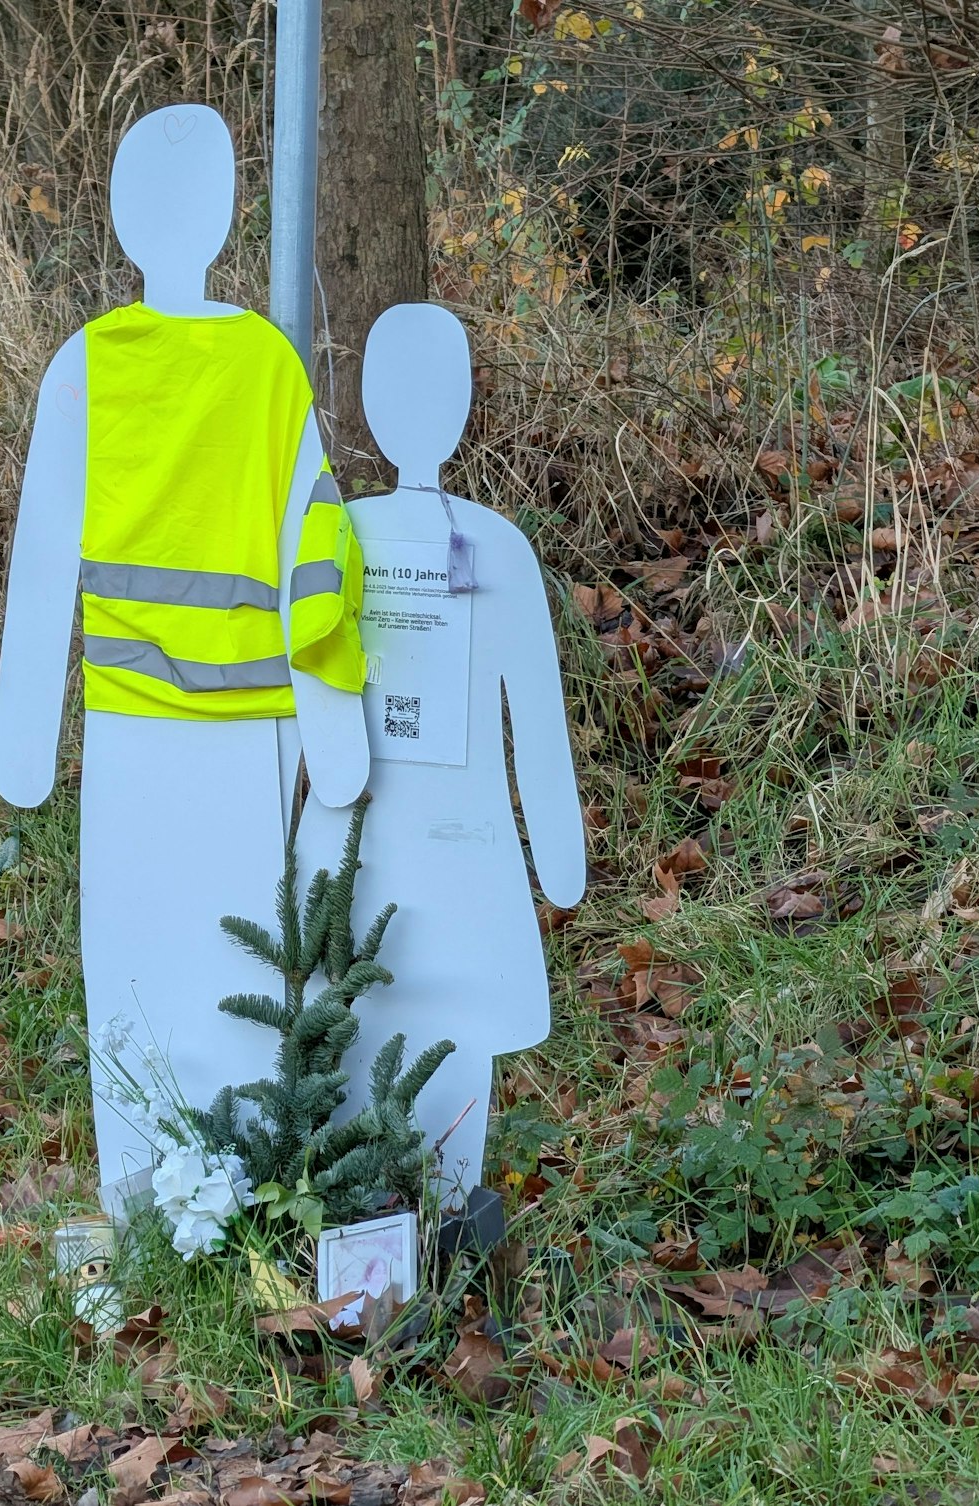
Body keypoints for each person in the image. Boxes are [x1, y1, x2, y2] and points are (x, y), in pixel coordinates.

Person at [0, 104, 368, 1207]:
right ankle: (242, 1192)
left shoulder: (86, 365)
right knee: (241, 964)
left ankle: (140, 1200)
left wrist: (25, 746)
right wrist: (334, 738)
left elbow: (40, 568)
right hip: (252, 731)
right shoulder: (266, 365)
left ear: (118, 217)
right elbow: (315, 553)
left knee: (132, 964)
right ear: (226, 216)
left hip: (127, 727)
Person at [295, 303, 585, 1210]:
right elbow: (539, 731)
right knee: (448, 1036)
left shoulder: (338, 532)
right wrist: (560, 866)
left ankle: (368, 1222)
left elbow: (296, 691)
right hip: (454, 848)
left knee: (364, 1022)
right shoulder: (495, 545)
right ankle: (438, 1218)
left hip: (360, 832)